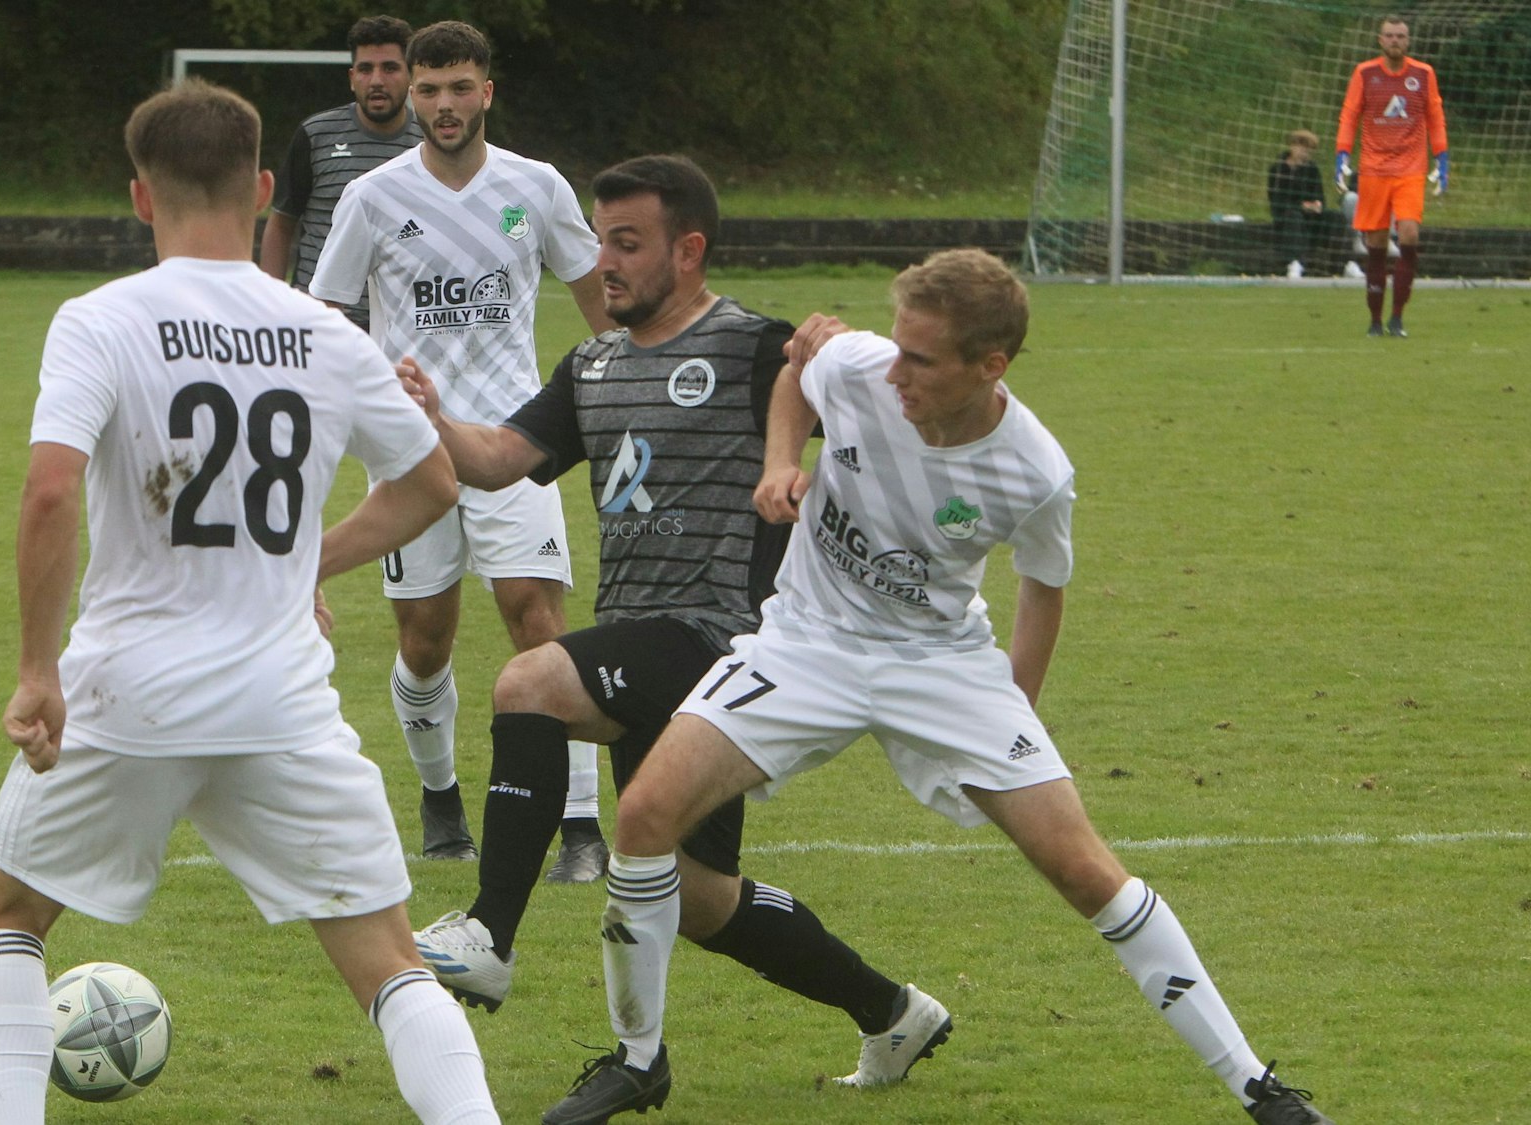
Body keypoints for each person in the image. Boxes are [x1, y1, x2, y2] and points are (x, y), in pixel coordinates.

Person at [547, 249, 1335, 1125]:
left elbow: (1044, 588)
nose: (897, 371)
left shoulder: (1035, 471)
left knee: (1084, 870)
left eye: (922, 360)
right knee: (644, 814)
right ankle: (639, 1061)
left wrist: (1014, 712)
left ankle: (1260, 1088)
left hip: (942, 663)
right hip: (806, 641)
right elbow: (799, 374)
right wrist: (777, 462)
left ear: (988, 366)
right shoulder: (861, 365)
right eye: (897, 347)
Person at [0, 78, 499, 1125]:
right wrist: (303, 567)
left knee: (7, 917)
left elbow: (50, 487)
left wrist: (35, 669)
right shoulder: (322, 333)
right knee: (389, 964)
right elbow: (433, 483)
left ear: (137, 197)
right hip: (280, 700)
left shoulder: (100, 318)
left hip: (130, 691)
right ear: (261, 189)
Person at [401, 154, 952, 1096]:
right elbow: (496, 462)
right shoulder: (593, 365)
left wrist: (840, 370)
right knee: (696, 898)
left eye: (627, 243)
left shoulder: (750, 348)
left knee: (527, 680)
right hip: (639, 643)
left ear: (688, 250)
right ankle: (895, 1013)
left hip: (723, 637)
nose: (603, 262)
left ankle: (489, 934)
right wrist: (437, 417)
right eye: (597, 240)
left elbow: (895, 408)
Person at [311, 20, 617, 869]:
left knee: (540, 624)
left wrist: (624, 398)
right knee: (425, 642)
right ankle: (442, 802)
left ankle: (583, 825)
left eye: (458, 88)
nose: (443, 105)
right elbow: (329, 318)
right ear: (411, 94)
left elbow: (599, 304)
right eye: (428, 89)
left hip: (518, 440)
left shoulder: (538, 187)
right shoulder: (373, 197)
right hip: (411, 455)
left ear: (487, 91)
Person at [258, 15, 423, 331]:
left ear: (410, 75)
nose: (376, 80)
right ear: (351, 77)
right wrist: (271, 307)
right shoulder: (315, 135)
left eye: (389, 68)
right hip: (317, 323)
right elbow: (281, 225)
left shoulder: (429, 143)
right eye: (365, 69)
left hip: (399, 329)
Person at [1335, 14, 1448, 337]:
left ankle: (1397, 317)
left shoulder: (1423, 74)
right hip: (1373, 170)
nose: (1395, 40)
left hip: (1410, 169)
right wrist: (1342, 153)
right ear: (1380, 41)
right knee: (1377, 243)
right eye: (1389, 35)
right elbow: (1350, 114)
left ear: (1407, 41)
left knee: (1410, 235)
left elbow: (1435, 118)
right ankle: (1374, 320)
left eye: (1401, 35)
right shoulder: (1365, 73)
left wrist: (1442, 158)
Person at [1266, 129, 1329, 278]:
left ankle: (1347, 263)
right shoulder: (1277, 170)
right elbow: (1277, 201)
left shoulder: (1312, 169)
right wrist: (1301, 206)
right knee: (1293, 216)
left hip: (1311, 216)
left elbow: (1320, 196)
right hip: (1286, 217)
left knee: (1336, 218)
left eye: (1309, 150)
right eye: (1303, 147)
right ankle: (1294, 262)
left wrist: (1318, 205)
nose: (1306, 153)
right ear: (1292, 146)